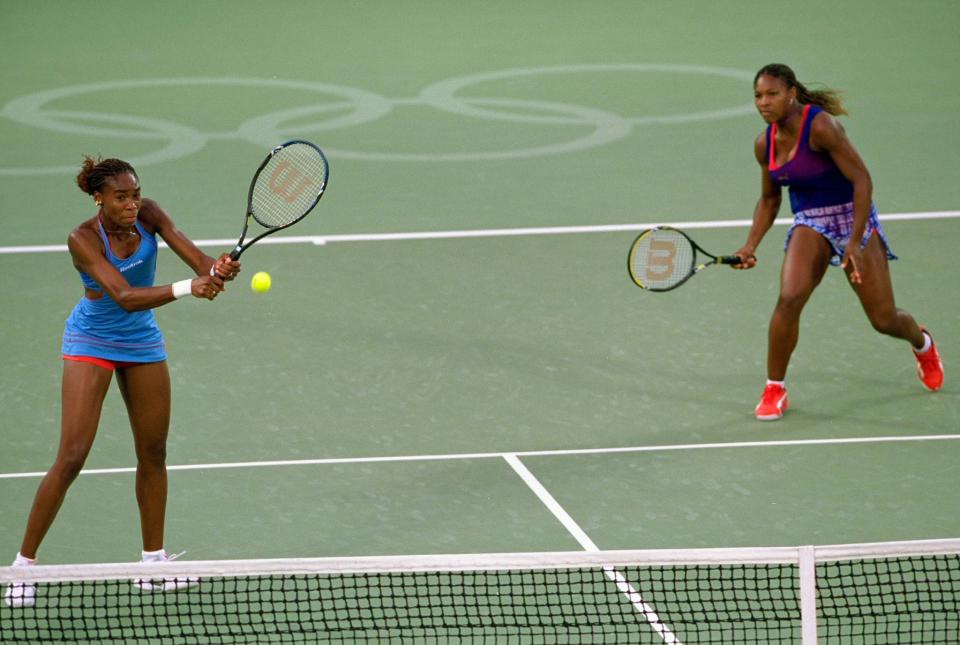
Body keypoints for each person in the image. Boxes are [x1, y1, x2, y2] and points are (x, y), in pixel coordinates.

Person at [4, 156, 241, 607]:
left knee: (153, 451)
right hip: (91, 339)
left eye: (134, 194)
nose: (132, 204)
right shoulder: (82, 238)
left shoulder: (150, 214)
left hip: (142, 343)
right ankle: (22, 566)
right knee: (71, 456)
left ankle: (152, 564)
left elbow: (196, 258)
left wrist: (217, 268)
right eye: (121, 197)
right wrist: (190, 288)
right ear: (99, 198)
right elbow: (125, 297)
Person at [732, 63, 943, 421]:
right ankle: (774, 388)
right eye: (758, 96)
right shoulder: (763, 144)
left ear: (791, 94)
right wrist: (750, 245)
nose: (763, 103)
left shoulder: (822, 127)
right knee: (789, 297)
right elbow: (770, 200)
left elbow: (862, 180)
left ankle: (922, 344)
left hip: (852, 214)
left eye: (772, 94)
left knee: (883, 319)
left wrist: (855, 242)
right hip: (811, 221)